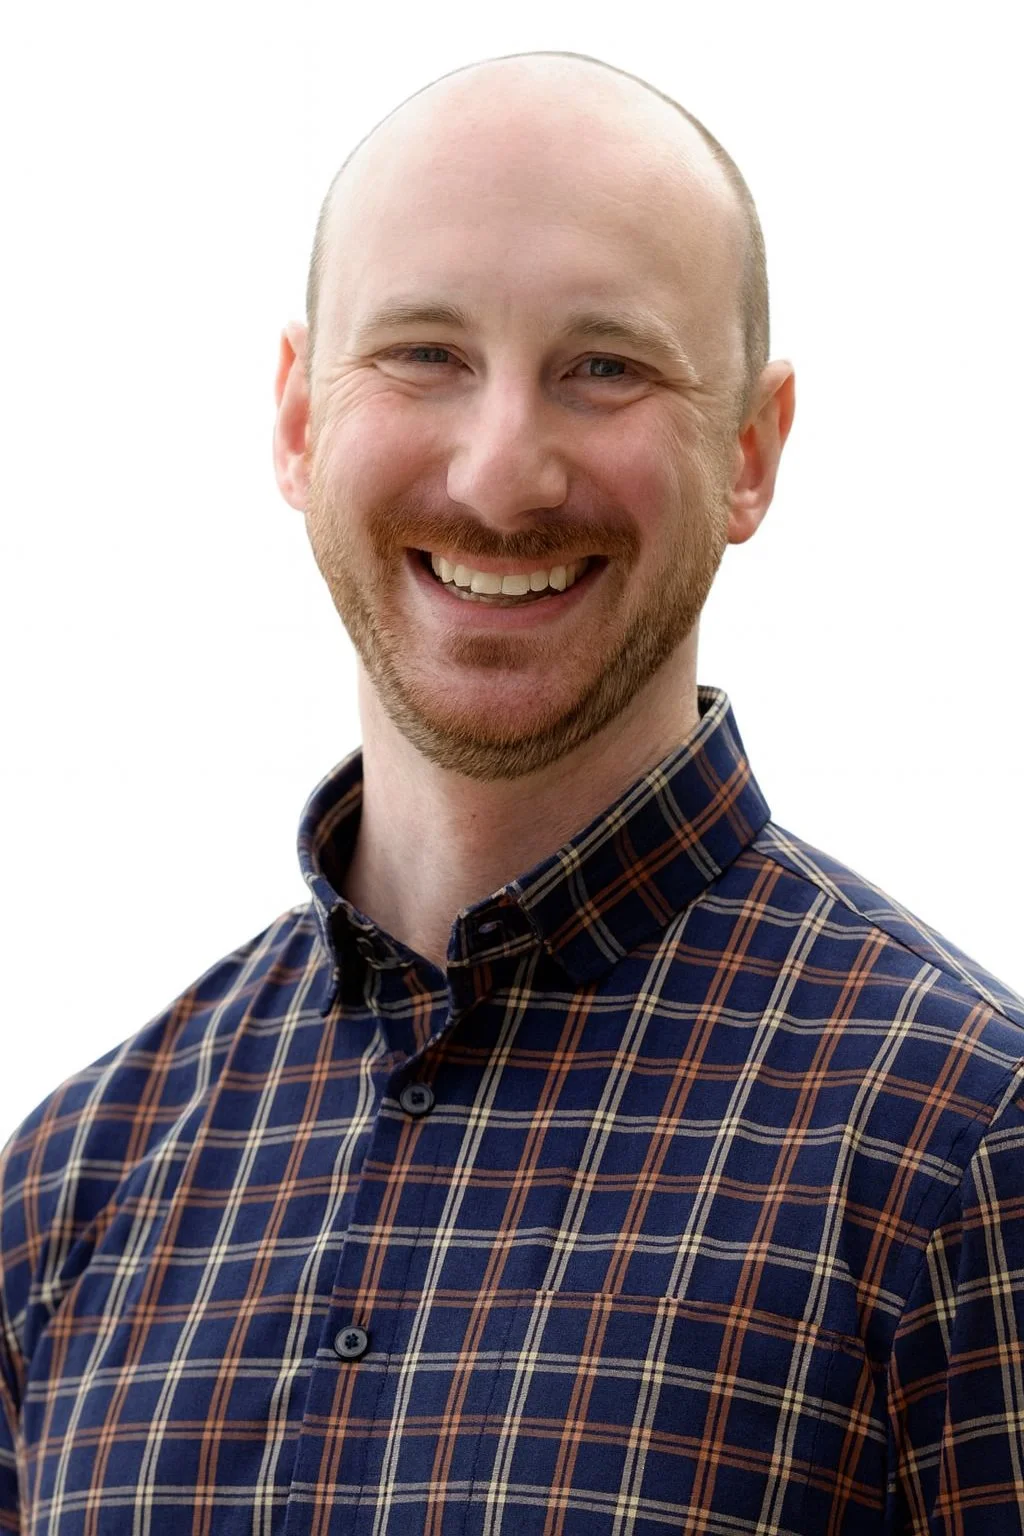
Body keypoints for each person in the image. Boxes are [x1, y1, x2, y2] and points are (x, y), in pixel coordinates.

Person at [2, 46, 1023, 1536]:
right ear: (298, 419)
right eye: (422, 354)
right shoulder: (66, 1199)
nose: (500, 474)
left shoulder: (964, 1159)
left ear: (751, 451)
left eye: (604, 366)